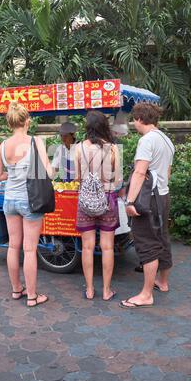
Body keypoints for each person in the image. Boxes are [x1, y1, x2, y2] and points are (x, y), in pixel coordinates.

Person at [0, 102, 52, 308]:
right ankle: (33, 296)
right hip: (31, 200)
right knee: (29, 249)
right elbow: (49, 172)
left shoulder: (3, 146)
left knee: (13, 246)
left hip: (10, 200)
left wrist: (13, 173)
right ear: (27, 121)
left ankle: (17, 290)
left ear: (10, 123)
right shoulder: (35, 142)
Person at [120, 103, 175, 309]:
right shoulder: (166, 140)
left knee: (146, 242)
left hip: (147, 199)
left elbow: (140, 172)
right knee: (162, 237)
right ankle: (162, 282)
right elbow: (166, 173)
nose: (133, 123)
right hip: (162, 195)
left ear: (140, 119)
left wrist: (130, 201)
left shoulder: (147, 140)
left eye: (134, 119)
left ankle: (146, 295)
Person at [75, 111, 120, 301]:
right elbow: (117, 180)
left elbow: (77, 178)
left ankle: (90, 289)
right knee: (107, 247)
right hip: (107, 199)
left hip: (85, 201)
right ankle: (107, 291)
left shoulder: (78, 148)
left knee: (87, 247)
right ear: (104, 126)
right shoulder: (112, 149)